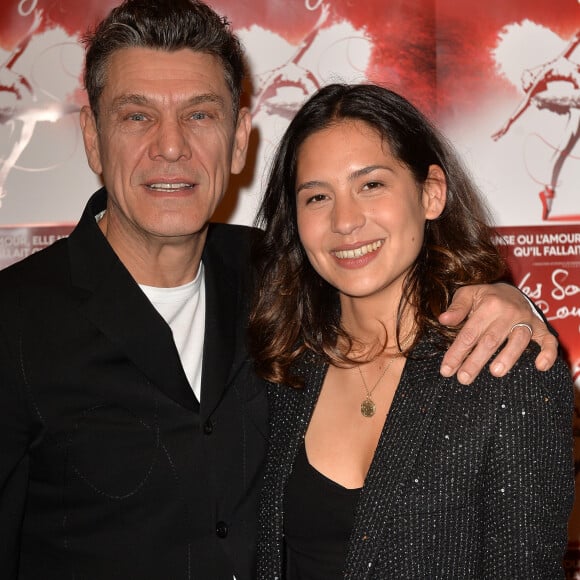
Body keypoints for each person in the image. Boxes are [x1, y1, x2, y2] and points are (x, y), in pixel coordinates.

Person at [0, 1, 558, 578]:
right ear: (92, 136)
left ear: (239, 138)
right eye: (137, 116)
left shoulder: (278, 278)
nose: (170, 147)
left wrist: (507, 299)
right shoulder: (13, 323)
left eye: (199, 115)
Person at [250, 83, 574, 579]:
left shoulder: (508, 373)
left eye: (371, 185)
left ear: (431, 193)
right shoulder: (279, 367)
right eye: (317, 196)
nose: (344, 221)